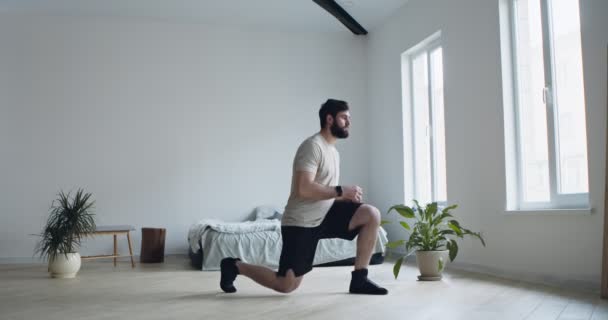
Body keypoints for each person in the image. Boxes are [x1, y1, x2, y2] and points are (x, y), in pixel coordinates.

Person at [219, 99, 387, 295]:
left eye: (349, 118)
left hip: (325, 214)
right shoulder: (312, 146)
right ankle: (234, 266)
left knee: (370, 214)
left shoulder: (333, 151)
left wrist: (345, 197)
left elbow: (324, 191)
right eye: (344, 118)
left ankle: (359, 280)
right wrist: (341, 190)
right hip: (301, 222)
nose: (349, 122)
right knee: (286, 285)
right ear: (329, 119)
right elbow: (304, 189)